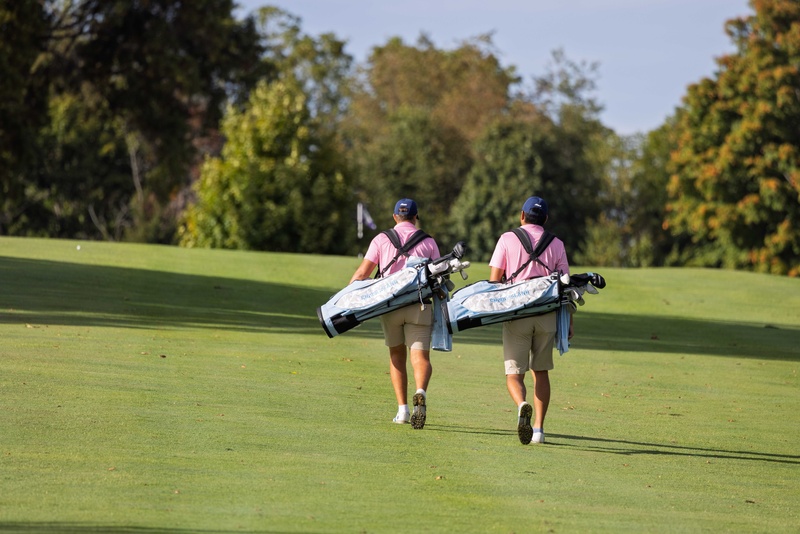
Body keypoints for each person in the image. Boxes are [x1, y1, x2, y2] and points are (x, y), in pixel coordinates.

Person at [349, 198, 441, 429]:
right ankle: (421, 392)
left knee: (396, 356)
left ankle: (402, 411)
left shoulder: (381, 239)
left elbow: (362, 273)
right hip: (419, 304)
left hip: (390, 307)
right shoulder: (428, 241)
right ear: (415, 217)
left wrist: (347, 301)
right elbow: (439, 276)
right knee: (420, 357)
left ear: (394, 217)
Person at [488, 196, 572, 445]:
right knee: (541, 372)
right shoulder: (557, 244)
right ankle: (539, 430)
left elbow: (494, 281)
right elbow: (566, 286)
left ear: (522, 215)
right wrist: (569, 322)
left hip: (518, 313)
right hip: (547, 315)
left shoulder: (507, 239)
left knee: (514, 373)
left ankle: (521, 404)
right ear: (545, 219)